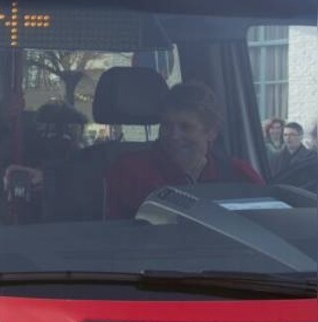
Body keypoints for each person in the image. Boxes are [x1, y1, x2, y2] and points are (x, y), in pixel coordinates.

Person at [104, 81, 262, 219]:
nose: (173, 136)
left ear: (211, 132)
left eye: (185, 127)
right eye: (166, 126)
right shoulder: (129, 171)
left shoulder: (239, 175)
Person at [273, 121, 318, 191]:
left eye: (292, 135)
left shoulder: (311, 157)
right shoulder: (276, 157)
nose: (288, 138)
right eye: (285, 135)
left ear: (301, 137)